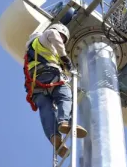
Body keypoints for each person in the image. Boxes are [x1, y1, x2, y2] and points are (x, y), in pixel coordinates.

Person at [23, 23, 88, 157]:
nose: (61, 40)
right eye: (62, 37)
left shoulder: (34, 50)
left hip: (36, 86)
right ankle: (64, 121)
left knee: (46, 110)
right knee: (65, 97)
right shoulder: (45, 37)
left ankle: (54, 138)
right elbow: (53, 34)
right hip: (50, 76)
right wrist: (64, 57)